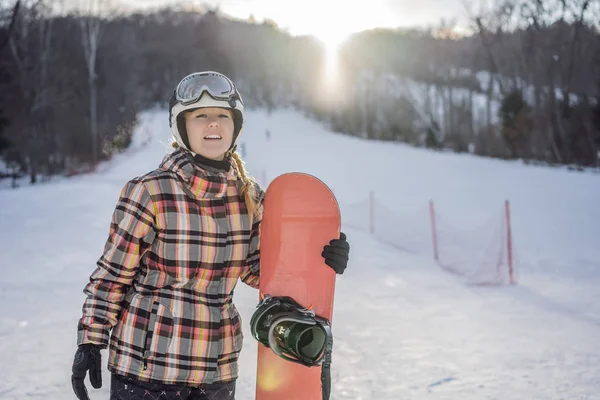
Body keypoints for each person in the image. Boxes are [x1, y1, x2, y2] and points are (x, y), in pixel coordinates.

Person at [71, 71, 350, 400]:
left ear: (235, 126)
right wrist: (90, 339)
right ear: (182, 127)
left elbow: (262, 271)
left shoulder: (248, 197)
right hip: (147, 371)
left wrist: (319, 257)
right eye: (200, 116)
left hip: (216, 371)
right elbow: (113, 275)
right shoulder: (150, 191)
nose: (213, 124)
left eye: (221, 115)